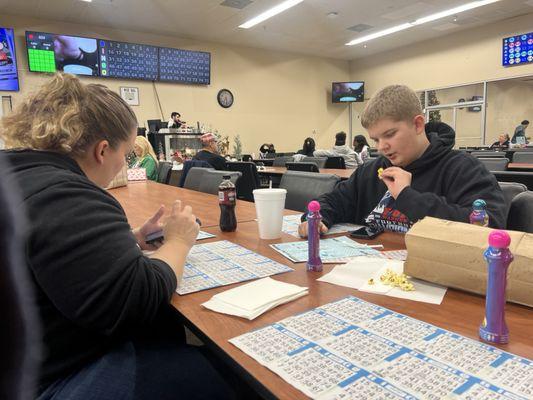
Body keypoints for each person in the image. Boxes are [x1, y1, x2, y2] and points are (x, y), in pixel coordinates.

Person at [0, 74, 235, 399]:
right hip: (55, 382)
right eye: (124, 155)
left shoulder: (18, 175)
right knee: (227, 373)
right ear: (102, 150)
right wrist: (178, 241)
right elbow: (139, 299)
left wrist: (132, 238)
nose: (122, 166)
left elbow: (46, 249)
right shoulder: (67, 195)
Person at [298, 84, 506, 237]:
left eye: (389, 135)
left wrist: (408, 197)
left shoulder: (463, 169)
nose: (381, 147)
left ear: (417, 125)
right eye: (376, 139)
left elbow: (488, 228)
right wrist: (317, 218)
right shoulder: (372, 171)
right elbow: (334, 201)